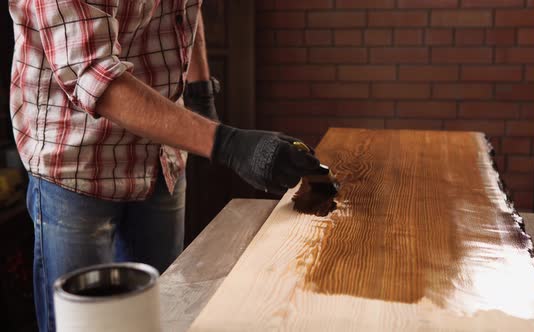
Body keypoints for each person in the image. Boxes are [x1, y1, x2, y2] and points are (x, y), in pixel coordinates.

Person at [8, 1, 319, 331]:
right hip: (77, 163)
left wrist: (200, 93)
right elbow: (95, 76)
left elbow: (186, 9)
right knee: (86, 325)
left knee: (162, 315)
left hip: (160, 159)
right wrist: (226, 143)